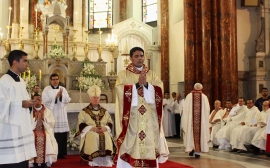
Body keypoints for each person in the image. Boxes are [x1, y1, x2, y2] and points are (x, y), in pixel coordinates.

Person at [114, 47, 164, 168]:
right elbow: (119, 90)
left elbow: (160, 88)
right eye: (136, 56)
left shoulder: (152, 74)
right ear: (130, 58)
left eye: (141, 56)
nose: (140, 58)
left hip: (148, 118)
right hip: (132, 117)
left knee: (148, 140)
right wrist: (136, 85)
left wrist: (146, 85)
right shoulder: (123, 74)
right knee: (131, 140)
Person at [0, 50, 36, 167]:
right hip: (9, 130)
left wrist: (30, 104)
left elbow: (24, 101)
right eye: (24, 61)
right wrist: (21, 104)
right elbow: (1, 104)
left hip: (22, 127)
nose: (27, 64)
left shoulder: (21, 81)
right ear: (15, 62)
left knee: (22, 161)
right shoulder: (4, 81)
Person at [74, 85, 114, 167]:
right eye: (94, 98)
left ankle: (105, 160)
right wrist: (92, 128)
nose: (96, 99)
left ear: (99, 99)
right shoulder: (84, 111)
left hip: (103, 130)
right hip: (90, 131)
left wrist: (105, 128)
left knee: (106, 136)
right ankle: (94, 160)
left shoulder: (104, 111)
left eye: (97, 98)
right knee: (94, 136)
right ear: (90, 99)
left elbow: (110, 121)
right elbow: (81, 123)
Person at [42, 73, 71, 159]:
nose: (55, 81)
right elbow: (44, 101)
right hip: (52, 113)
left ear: (59, 80)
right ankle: (53, 152)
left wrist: (61, 96)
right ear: (50, 80)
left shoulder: (63, 89)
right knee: (52, 133)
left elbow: (68, 99)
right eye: (53, 79)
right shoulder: (46, 89)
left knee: (61, 134)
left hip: (61, 113)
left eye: (57, 79)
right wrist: (56, 97)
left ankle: (61, 152)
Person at [181, 83, 210, 158]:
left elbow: (185, 109)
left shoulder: (189, 96)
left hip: (191, 121)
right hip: (201, 121)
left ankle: (191, 148)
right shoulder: (204, 97)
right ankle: (197, 152)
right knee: (200, 134)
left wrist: (186, 118)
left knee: (190, 133)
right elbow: (207, 110)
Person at [30, 94, 58, 168]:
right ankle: (34, 162)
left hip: (45, 130)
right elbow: (26, 124)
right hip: (32, 131)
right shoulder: (29, 110)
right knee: (32, 138)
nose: (37, 102)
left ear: (41, 100)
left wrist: (43, 118)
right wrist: (35, 119)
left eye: (39, 100)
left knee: (47, 138)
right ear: (32, 101)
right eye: (35, 100)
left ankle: (44, 162)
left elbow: (52, 123)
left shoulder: (47, 111)